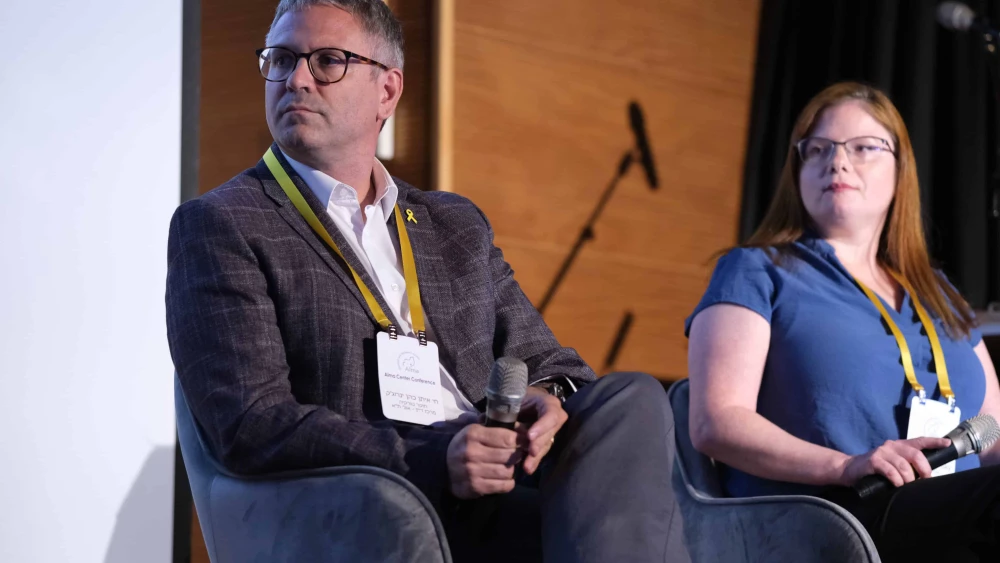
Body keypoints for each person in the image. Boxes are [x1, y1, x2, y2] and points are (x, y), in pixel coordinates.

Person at [165, 1, 681, 561]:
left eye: (327, 61)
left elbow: (555, 364)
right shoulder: (225, 223)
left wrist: (545, 403)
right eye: (281, 59)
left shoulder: (451, 224)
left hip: (506, 472)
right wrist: (438, 454)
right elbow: (251, 424)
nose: (296, 79)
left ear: (387, 91)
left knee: (631, 398)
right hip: (391, 500)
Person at [686, 81, 1000, 562]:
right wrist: (847, 465)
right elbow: (717, 423)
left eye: (864, 147)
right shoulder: (756, 269)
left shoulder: (939, 292)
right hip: (836, 515)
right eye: (818, 149)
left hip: (952, 510)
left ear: (902, 170)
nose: (838, 161)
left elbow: (995, 430)